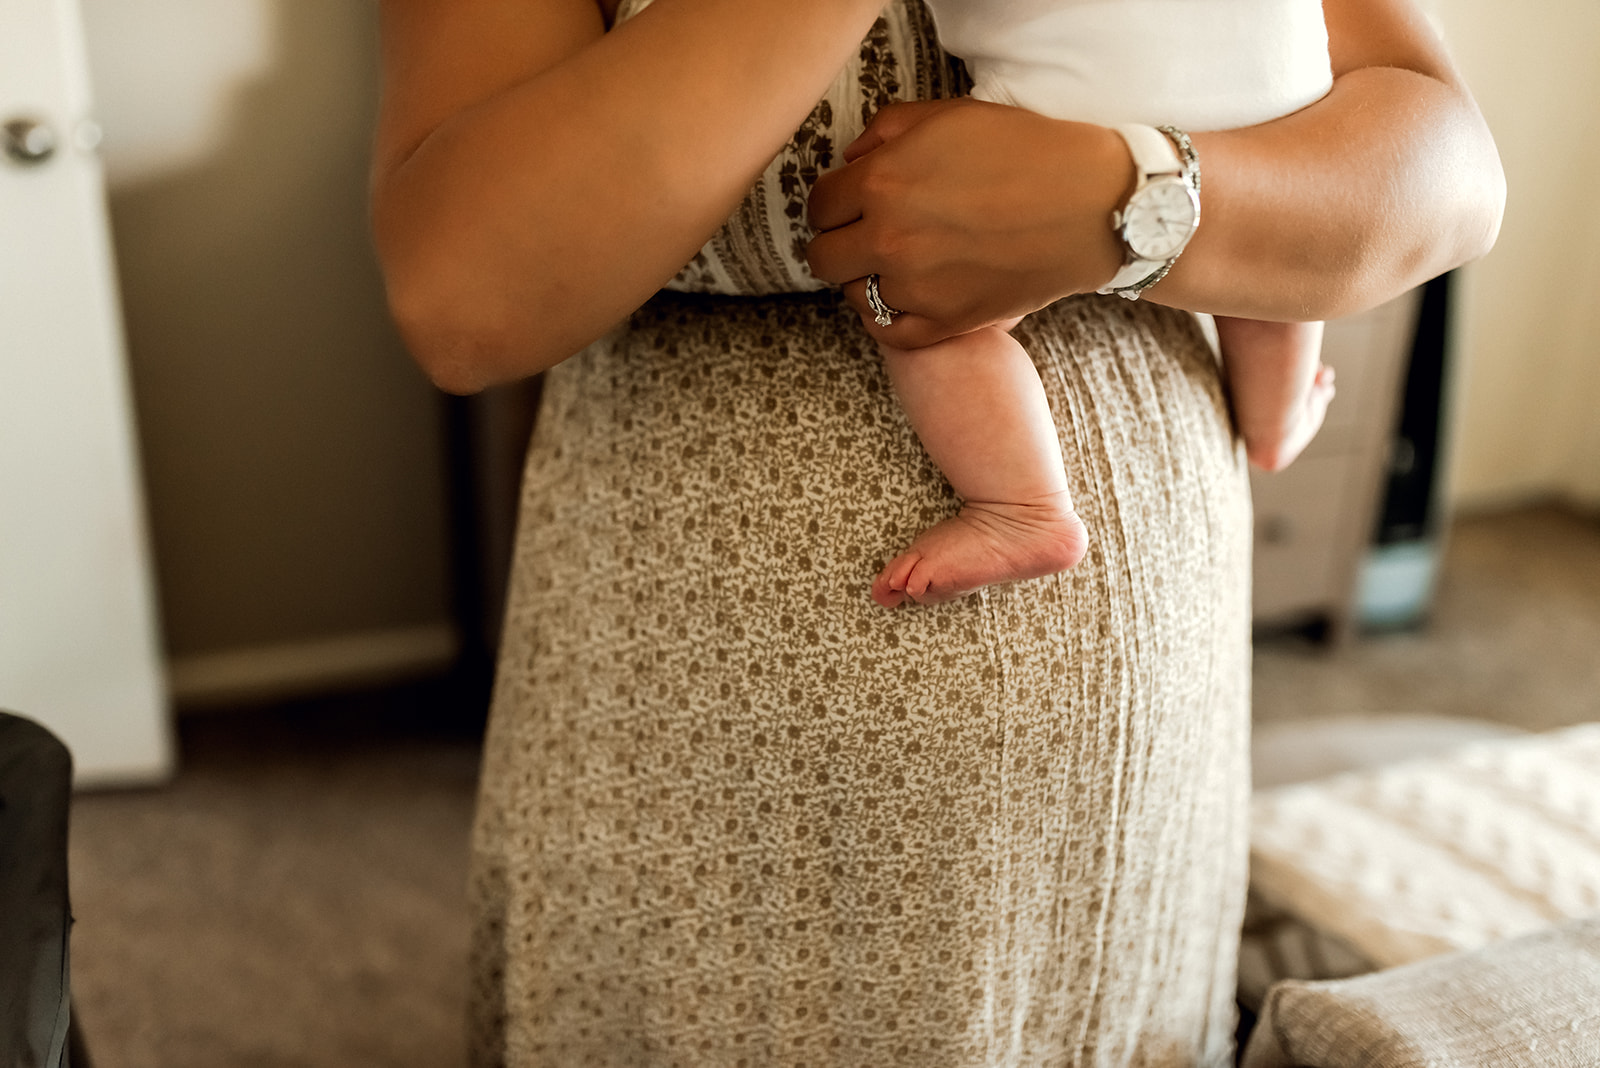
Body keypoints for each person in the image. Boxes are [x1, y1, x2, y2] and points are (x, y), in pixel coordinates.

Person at [370, 0, 1502, 1062]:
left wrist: (1144, 199)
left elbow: (1446, 165)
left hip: (1146, 730)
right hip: (722, 747)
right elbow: (465, 298)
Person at [862, 0, 1340, 608]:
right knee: (1281, 268)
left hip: (1067, 110)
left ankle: (1020, 506)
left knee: (924, 303)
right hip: (1277, 99)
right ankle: (1278, 421)